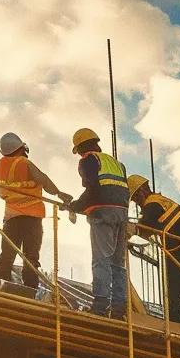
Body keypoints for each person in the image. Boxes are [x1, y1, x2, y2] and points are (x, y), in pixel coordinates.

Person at [126, 174, 180, 329]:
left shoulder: (153, 204)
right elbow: (147, 230)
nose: (137, 203)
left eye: (136, 199)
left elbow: (145, 225)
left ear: (141, 192)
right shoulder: (160, 202)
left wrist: (129, 228)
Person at [65, 128, 130, 318]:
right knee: (118, 263)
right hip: (122, 213)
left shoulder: (88, 160)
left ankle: (100, 306)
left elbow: (93, 188)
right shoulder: (116, 163)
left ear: (80, 147)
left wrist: (76, 206)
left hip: (103, 212)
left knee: (101, 259)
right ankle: (119, 308)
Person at [0, 132, 72, 288]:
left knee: (7, 255)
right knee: (31, 257)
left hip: (11, 217)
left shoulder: (1, 165)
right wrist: (59, 193)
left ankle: (1, 284)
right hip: (32, 218)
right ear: (21, 148)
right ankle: (30, 288)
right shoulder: (24, 163)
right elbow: (42, 179)